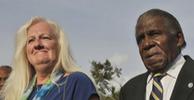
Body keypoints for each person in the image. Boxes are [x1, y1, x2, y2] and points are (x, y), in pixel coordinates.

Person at [1, 16, 99, 100]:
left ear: (59, 46)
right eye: (31, 40)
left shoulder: (76, 82)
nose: (37, 44)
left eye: (45, 37)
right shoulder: (18, 92)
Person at [120, 8, 194, 100]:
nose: (146, 44)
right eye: (140, 39)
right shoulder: (129, 90)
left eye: (154, 34)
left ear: (178, 39)